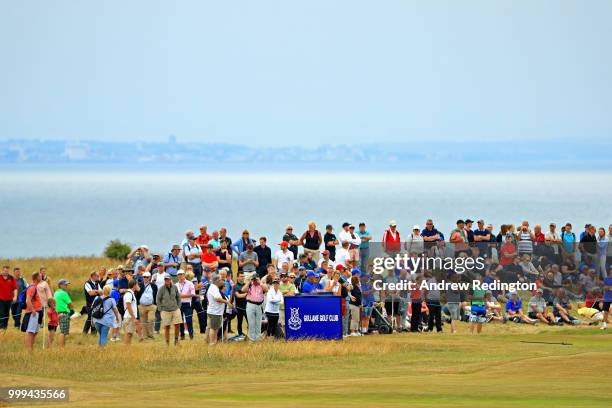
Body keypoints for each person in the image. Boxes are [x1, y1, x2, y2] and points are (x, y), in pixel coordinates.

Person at [156, 273, 182, 345]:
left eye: (168, 279)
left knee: (177, 325)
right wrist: (160, 309)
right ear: (164, 280)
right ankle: (167, 343)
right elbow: (158, 299)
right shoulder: (161, 289)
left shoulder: (175, 287)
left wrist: (179, 306)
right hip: (165, 310)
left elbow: (178, 297)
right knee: (167, 327)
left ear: (170, 280)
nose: (167, 280)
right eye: (165, 279)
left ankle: (176, 341)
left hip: (175, 309)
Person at [207, 275, 233, 344]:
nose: (222, 281)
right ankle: (213, 342)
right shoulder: (214, 288)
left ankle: (210, 341)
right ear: (218, 281)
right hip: (215, 312)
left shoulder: (212, 287)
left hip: (213, 311)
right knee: (214, 328)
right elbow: (217, 299)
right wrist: (227, 302)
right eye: (221, 280)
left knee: (211, 327)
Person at [242, 274, 267, 341]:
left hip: (259, 305)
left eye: (256, 279)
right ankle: (252, 338)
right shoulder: (250, 285)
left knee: (258, 322)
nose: (255, 281)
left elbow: (266, 289)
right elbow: (243, 290)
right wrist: (249, 282)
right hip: (250, 304)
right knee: (251, 322)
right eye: (254, 279)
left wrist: (260, 282)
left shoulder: (261, 285)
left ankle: (258, 338)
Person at [22, 272, 43, 352]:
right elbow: (28, 300)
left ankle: (31, 349)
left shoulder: (35, 287)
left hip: (38, 312)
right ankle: (28, 350)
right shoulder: (32, 288)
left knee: (35, 331)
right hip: (33, 313)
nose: (41, 277)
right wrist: (33, 310)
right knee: (30, 331)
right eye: (40, 276)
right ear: (36, 277)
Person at [53, 279, 74, 347]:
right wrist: (71, 310)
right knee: (63, 332)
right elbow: (71, 304)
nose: (66, 286)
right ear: (60, 285)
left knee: (62, 330)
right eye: (65, 285)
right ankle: (62, 348)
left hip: (58, 313)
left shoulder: (56, 292)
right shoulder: (64, 293)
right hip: (64, 313)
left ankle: (62, 346)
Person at [137, 271, 157, 340]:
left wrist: (155, 304)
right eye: (144, 277)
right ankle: (145, 336)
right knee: (143, 322)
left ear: (150, 278)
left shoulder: (154, 286)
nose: (145, 278)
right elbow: (137, 294)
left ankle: (150, 335)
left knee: (151, 319)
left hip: (151, 305)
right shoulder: (140, 285)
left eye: (147, 277)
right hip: (142, 306)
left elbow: (156, 295)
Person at [176, 269, 195, 340]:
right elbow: (175, 295)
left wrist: (182, 296)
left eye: (182, 274)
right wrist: (180, 296)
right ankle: (182, 335)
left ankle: (191, 335)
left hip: (187, 304)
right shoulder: (176, 285)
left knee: (189, 320)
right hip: (179, 304)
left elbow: (193, 294)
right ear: (177, 276)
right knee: (180, 321)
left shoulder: (190, 283)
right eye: (179, 275)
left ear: (184, 275)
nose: (180, 276)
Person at [122, 279, 139, 345]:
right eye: (137, 284)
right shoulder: (129, 294)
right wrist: (133, 318)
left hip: (129, 317)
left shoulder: (130, 293)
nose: (137, 286)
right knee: (128, 334)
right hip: (129, 317)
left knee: (129, 333)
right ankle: (126, 348)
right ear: (134, 285)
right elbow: (128, 306)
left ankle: (127, 348)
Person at [232, 271, 248, 339]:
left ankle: (249, 335)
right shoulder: (235, 286)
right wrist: (247, 294)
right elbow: (238, 295)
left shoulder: (246, 285)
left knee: (249, 322)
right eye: (241, 276)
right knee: (239, 323)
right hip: (239, 308)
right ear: (237, 277)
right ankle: (240, 335)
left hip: (247, 307)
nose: (242, 278)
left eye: (243, 276)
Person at [0, 265, 17, 330]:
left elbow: (15, 289)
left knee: (7, 314)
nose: (6, 272)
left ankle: (5, 327)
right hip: (1, 299)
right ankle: (1, 327)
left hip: (9, 299)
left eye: (7, 271)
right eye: (4, 271)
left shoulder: (11, 278)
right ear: (2, 270)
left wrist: (15, 296)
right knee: (1, 313)